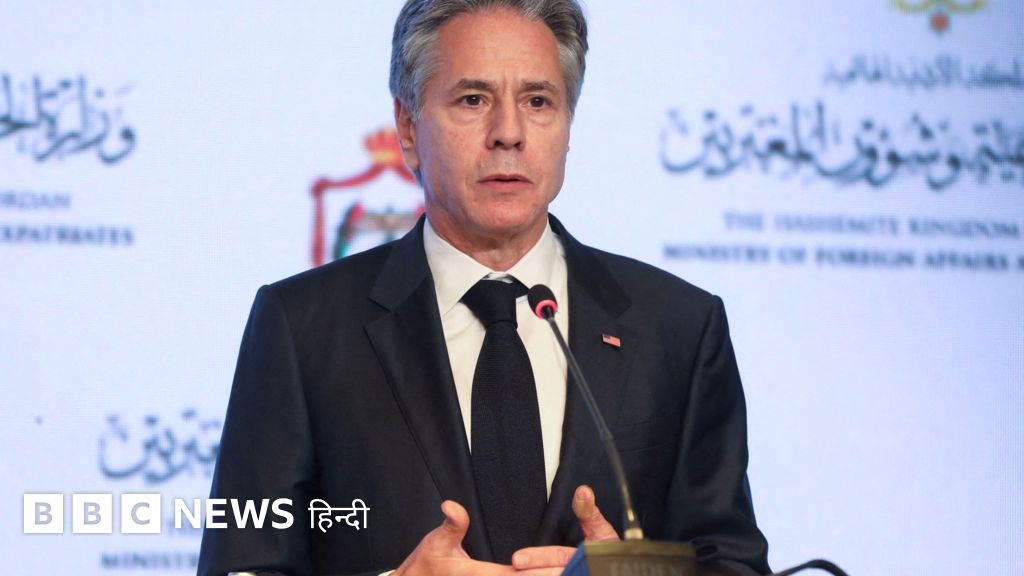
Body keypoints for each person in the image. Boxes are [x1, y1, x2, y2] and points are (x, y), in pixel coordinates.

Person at [197, 1, 770, 575]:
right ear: (408, 128)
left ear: (568, 125)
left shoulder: (677, 326)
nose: (509, 134)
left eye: (538, 101)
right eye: (473, 100)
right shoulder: (302, 326)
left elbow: (733, 563)